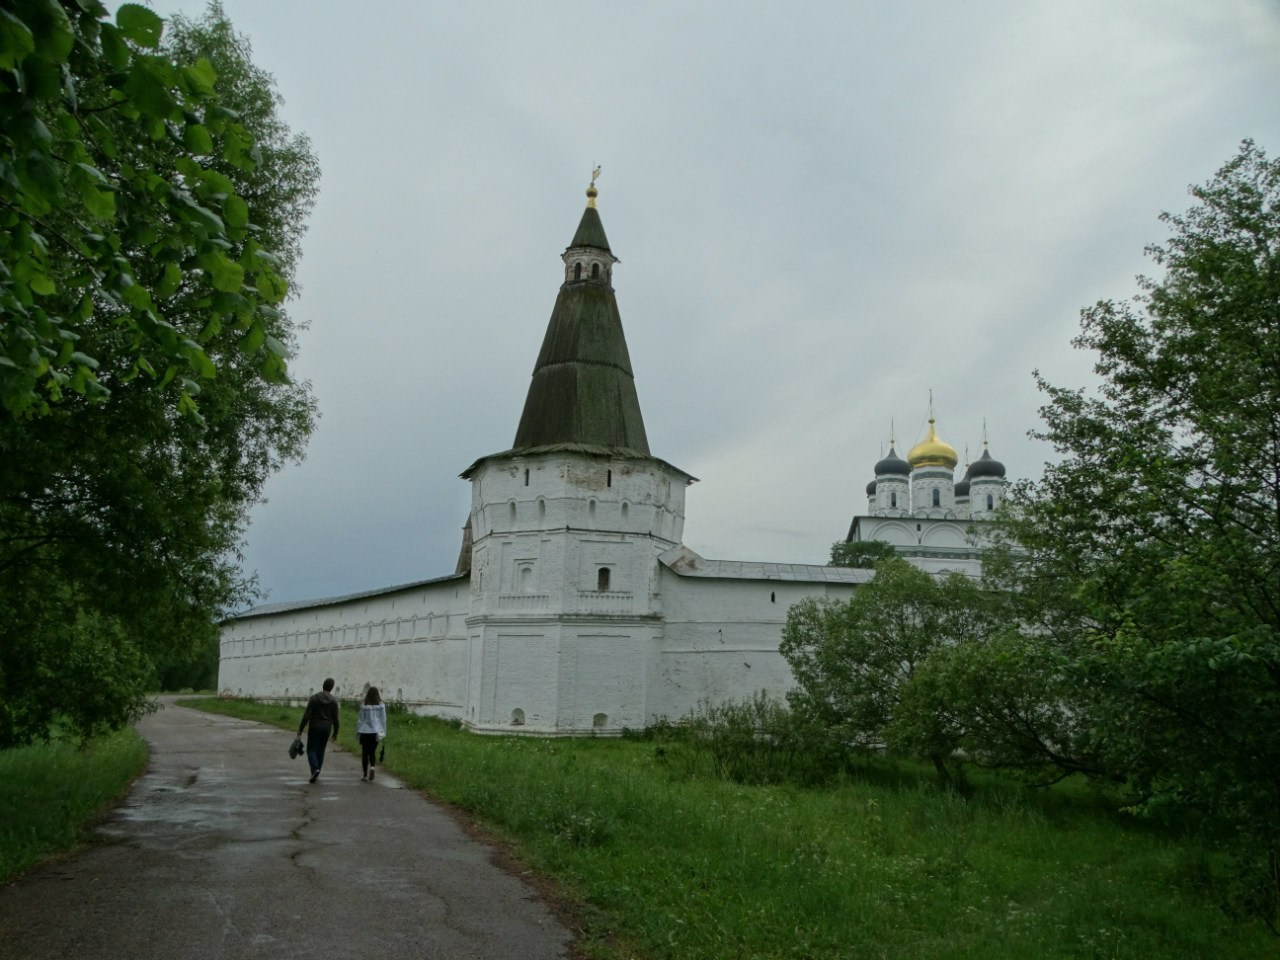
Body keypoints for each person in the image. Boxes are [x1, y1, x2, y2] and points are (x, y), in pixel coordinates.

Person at [298, 677, 340, 783]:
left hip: (315, 727)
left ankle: (315, 769)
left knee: (311, 750)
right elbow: (336, 719)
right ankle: (316, 774)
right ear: (331, 688)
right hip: (326, 728)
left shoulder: (314, 698)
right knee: (320, 751)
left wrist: (301, 729)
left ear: (323, 685)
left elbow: (306, 715)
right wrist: (335, 732)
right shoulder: (334, 701)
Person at [355, 686, 387, 781]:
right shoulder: (381, 705)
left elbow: (360, 719)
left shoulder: (364, 705)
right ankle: (372, 767)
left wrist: (357, 731)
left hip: (365, 731)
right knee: (372, 752)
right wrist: (383, 731)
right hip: (375, 731)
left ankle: (364, 774)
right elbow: (383, 719)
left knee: (365, 753)